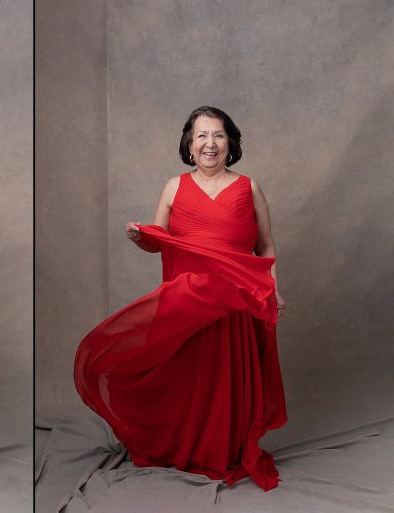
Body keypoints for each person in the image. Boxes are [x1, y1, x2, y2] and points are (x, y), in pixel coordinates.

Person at [74, 106, 288, 491]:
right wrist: (141, 237)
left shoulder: (249, 187)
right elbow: (158, 241)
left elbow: (267, 244)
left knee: (226, 380)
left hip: (232, 305)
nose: (210, 143)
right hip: (185, 303)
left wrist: (273, 289)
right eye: (202, 135)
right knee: (185, 377)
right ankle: (180, 445)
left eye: (219, 135)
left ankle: (222, 450)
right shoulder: (174, 186)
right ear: (190, 145)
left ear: (230, 144)